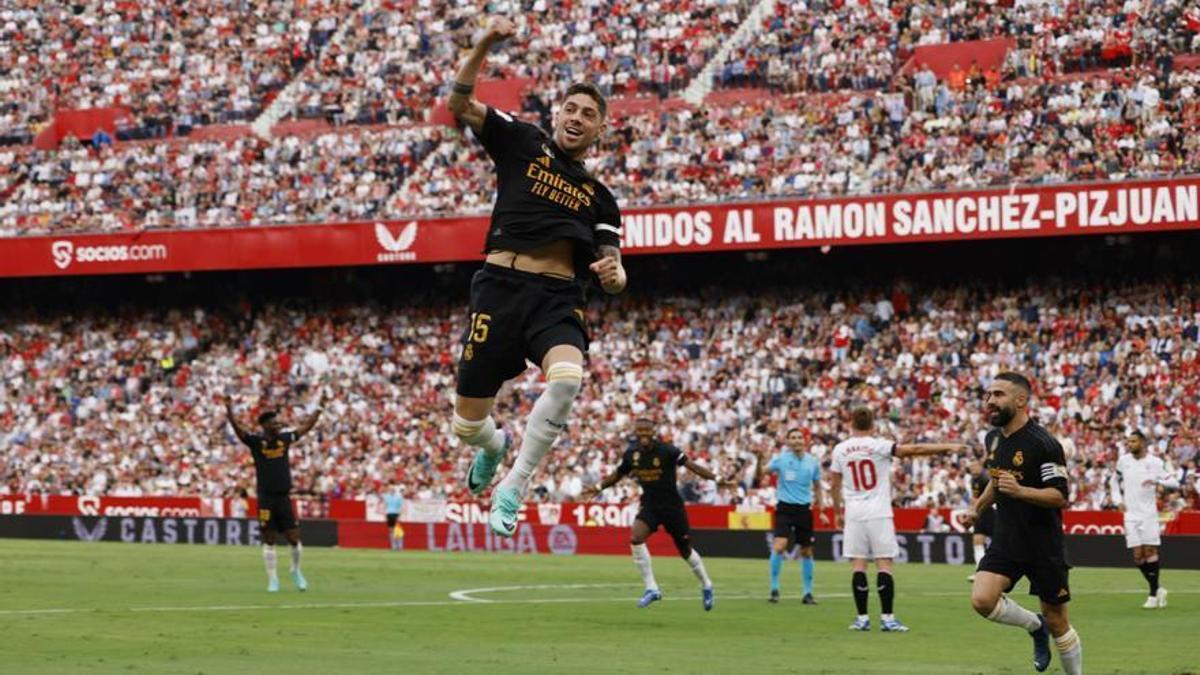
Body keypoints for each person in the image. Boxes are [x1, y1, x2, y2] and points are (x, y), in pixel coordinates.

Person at [446, 16, 627, 538]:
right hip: (499, 290)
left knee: (568, 380)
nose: (577, 117)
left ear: (599, 129)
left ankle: (516, 484)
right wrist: (483, 43)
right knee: (466, 426)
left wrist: (613, 273)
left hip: (555, 297)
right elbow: (459, 104)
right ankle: (494, 446)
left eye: (588, 114)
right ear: (557, 114)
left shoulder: (601, 197)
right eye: (570, 108)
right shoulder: (521, 141)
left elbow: (614, 274)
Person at [965, 372, 1082, 674]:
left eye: (998, 395)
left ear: (1020, 400)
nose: (990, 401)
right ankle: (1034, 627)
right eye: (989, 395)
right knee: (981, 599)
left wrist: (1021, 492)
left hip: (1043, 543)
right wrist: (977, 508)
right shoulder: (993, 439)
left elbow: (1059, 495)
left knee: (1058, 620)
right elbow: (996, 480)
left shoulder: (1044, 444)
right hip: (1007, 539)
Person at [830, 406, 968, 632]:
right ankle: (887, 618)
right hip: (879, 511)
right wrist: (948, 447)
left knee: (859, 565)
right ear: (873, 424)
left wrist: (837, 512)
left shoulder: (840, 450)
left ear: (850, 423)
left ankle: (862, 619)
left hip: (854, 512)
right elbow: (916, 448)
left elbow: (835, 484)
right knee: (884, 564)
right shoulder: (880, 445)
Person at [583, 418, 732, 611]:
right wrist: (598, 487)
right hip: (651, 505)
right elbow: (618, 474)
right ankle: (652, 588)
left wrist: (716, 478)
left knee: (685, 550)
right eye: (640, 432)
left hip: (672, 507)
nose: (643, 435)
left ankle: (706, 584)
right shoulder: (632, 454)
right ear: (636, 433)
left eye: (647, 431)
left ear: (653, 432)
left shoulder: (667, 450)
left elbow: (692, 466)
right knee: (636, 537)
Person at [226, 397, 324, 592]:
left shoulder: (285, 439)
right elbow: (238, 430)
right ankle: (273, 580)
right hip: (265, 499)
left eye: (279, 421)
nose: (278, 424)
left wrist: (319, 408)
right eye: (274, 422)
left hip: (283, 498)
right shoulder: (256, 442)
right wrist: (229, 410)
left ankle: (295, 571)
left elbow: (306, 427)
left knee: (294, 538)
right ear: (264, 425)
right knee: (269, 539)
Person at [755, 428, 828, 604]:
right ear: (787, 442)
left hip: (804, 509)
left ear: (805, 440)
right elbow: (760, 475)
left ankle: (808, 593)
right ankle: (774, 589)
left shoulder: (812, 462)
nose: (797, 440)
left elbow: (817, 486)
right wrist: (759, 460)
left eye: (799, 437)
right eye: (793, 438)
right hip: (785, 508)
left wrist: (822, 510)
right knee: (779, 545)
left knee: (807, 551)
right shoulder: (781, 460)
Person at [1110, 430, 1178, 608]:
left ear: (1142, 443)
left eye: (1133, 441)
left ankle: (1153, 594)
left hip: (1148, 514)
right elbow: (1114, 482)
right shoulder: (1123, 461)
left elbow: (1173, 483)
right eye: (1128, 442)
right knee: (1138, 557)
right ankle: (1158, 589)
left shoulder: (1155, 463)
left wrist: (1157, 482)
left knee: (1150, 551)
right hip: (1130, 513)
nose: (1129, 444)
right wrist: (1118, 501)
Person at [967, 458, 995, 582]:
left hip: (990, 512)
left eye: (974, 465)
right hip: (981, 512)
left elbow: (981, 498)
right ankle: (980, 571)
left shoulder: (984, 479)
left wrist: (973, 509)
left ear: (981, 466)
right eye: (971, 466)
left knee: (998, 542)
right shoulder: (975, 479)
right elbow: (974, 498)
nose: (972, 468)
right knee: (977, 540)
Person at [384, 484, 405, 551]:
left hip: (396, 514)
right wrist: (385, 515)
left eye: (393, 489)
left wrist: (399, 515)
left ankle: (400, 545)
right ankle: (393, 546)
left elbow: (401, 507)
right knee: (391, 530)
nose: (391, 490)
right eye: (390, 489)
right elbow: (385, 506)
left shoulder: (398, 497)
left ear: (395, 490)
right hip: (389, 514)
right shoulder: (386, 497)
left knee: (398, 530)